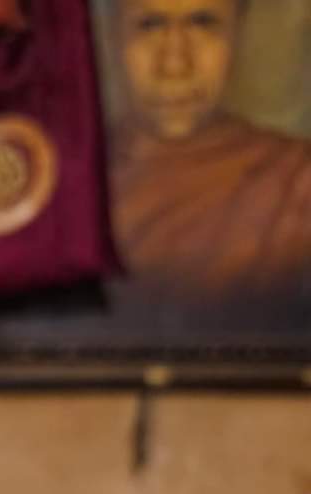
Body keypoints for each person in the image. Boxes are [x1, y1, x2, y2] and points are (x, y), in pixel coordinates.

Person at [111, 0, 311, 299]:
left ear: (237, 35)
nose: (175, 66)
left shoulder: (296, 180)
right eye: (149, 25)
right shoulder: (67, 180)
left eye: (203, 23)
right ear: (113, 36)